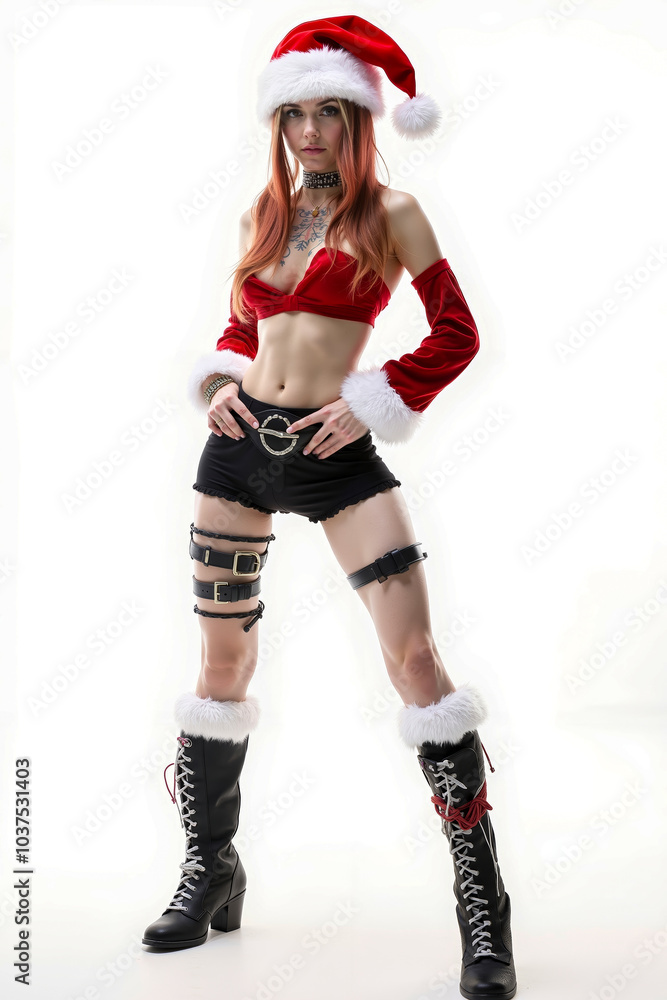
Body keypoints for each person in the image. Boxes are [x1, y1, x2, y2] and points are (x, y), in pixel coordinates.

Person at [142, 15, 517, 999]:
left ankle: (483, 907)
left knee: (417, 665)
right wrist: (215, 382)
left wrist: (370, 400)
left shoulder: (393, 214)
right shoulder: (261, 216)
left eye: (329, 113)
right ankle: (210, 867)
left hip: (336, 457)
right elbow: (241, 327)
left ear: (359, 119)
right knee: (221, 670)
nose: (308, 132)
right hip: (237, 457)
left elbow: (456, 332)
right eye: (293, 114)